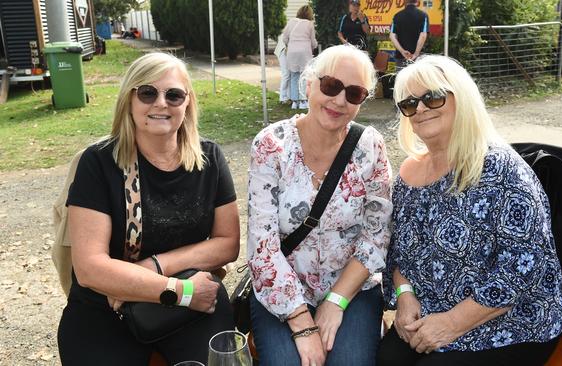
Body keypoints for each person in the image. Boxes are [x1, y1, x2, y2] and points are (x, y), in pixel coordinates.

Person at [377, 55, 562, 365]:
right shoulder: (408, 174)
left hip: (510, 323)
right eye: (410, 104)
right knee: (385, 359)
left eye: (433, 97)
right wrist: (404, 295)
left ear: (461, 98)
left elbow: (523, 267)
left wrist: (451, 324)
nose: (421, 108)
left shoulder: (500, 169)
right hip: (429, 314)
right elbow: (397, 252)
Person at [57, 52, 240, 365]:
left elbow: (228, 243)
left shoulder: (209, 158)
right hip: (106, 309)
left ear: (188, 103)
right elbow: (89, 268)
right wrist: (176, 290)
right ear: (129, 100)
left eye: (173, 94)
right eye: (147, 93)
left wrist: (155, 267)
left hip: (195, 303)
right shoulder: (98, 163)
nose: (160, 103)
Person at [247, 44, 392, 366]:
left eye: (354, 93)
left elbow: (376, 237)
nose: (339, 100)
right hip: (281, 289)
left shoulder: (370, 146)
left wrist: (335, 302)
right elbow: (263, 246)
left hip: (352, 288)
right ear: (310, 84)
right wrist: (302, 323)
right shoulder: (271, 145)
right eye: (331, 86)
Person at [282, 5, 318, 110]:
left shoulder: (291, 22)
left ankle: (294, 102)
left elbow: (284, 38)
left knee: (294, 76)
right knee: (304, 77)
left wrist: (291, 44)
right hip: (304, 53)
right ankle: (303, 101)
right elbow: (313, 41)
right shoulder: (310, 24)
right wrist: (314, 46)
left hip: (292, 52)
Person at [389, 0, 428, 69]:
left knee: (401, 78)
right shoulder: (423, 15)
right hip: (417, 58)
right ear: (417, 1)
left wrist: (402, 51)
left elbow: (392, 36)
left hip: (401, 57)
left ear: (405, 1)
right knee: (417, 79)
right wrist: (416, 54)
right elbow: (423, 36)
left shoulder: (397, 16)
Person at [274, 37, 291, 104]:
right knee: (286, 74)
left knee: (290, 74)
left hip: (289, 51)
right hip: (283, 50)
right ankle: (283, 97)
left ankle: (289, 97)